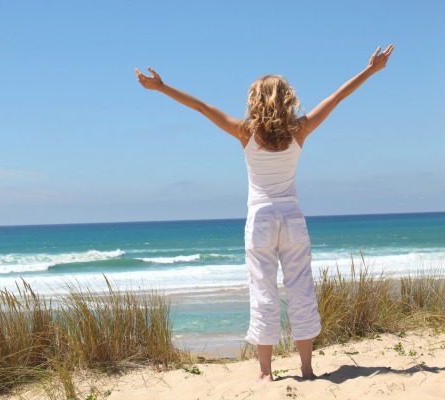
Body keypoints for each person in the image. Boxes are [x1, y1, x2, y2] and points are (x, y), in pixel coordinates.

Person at [135, 44, 394, 381]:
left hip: (260, 219)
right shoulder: (300, 129)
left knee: (263, 292)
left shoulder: (246, 132)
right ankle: (306, 369)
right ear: (286, 98)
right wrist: (371, 70)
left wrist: (161, 87)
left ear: (255, 100)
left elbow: (201, 107)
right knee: (301, 291)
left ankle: (265, 374)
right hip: (292, 218)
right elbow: (337, 98)